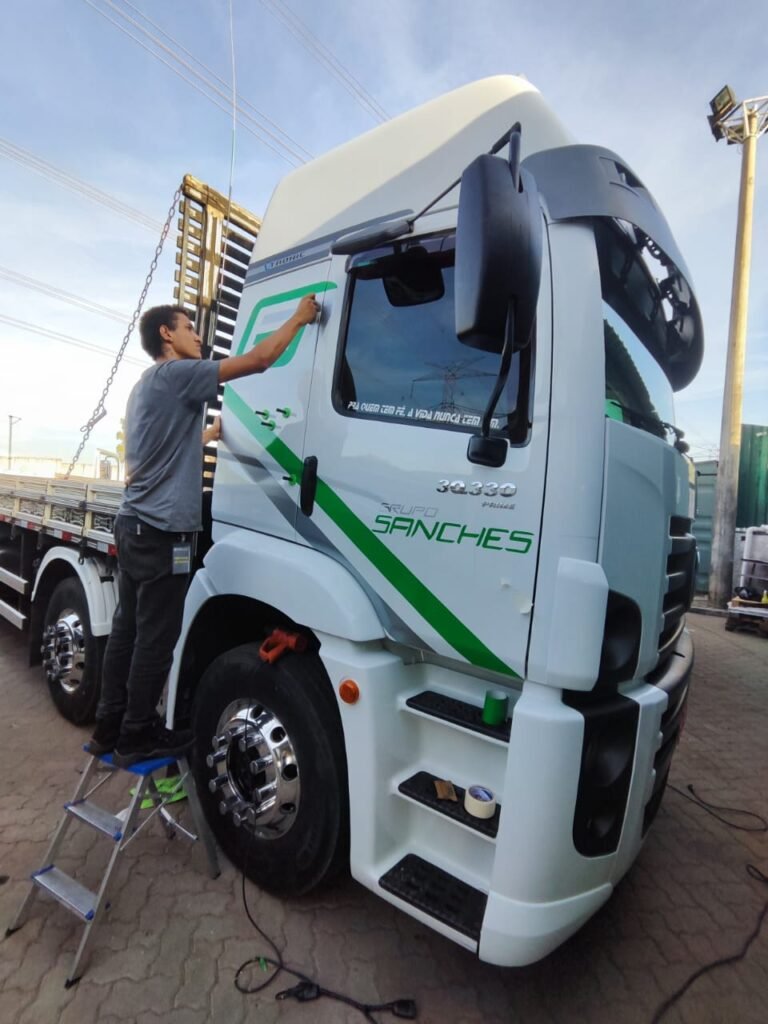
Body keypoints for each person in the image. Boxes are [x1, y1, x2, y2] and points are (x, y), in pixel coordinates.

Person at [87, 295, 320, 767]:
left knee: (127, 630)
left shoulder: (146, 385)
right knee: (157, 638)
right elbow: (259, 360)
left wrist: (208, 436)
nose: (198, 336)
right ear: (166, 335)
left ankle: (109, 726)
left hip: (133, 525)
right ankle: (137, 734)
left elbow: (166, 447)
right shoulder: (178, 373)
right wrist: (299, 317)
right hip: (162, 532)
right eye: (189, 327)